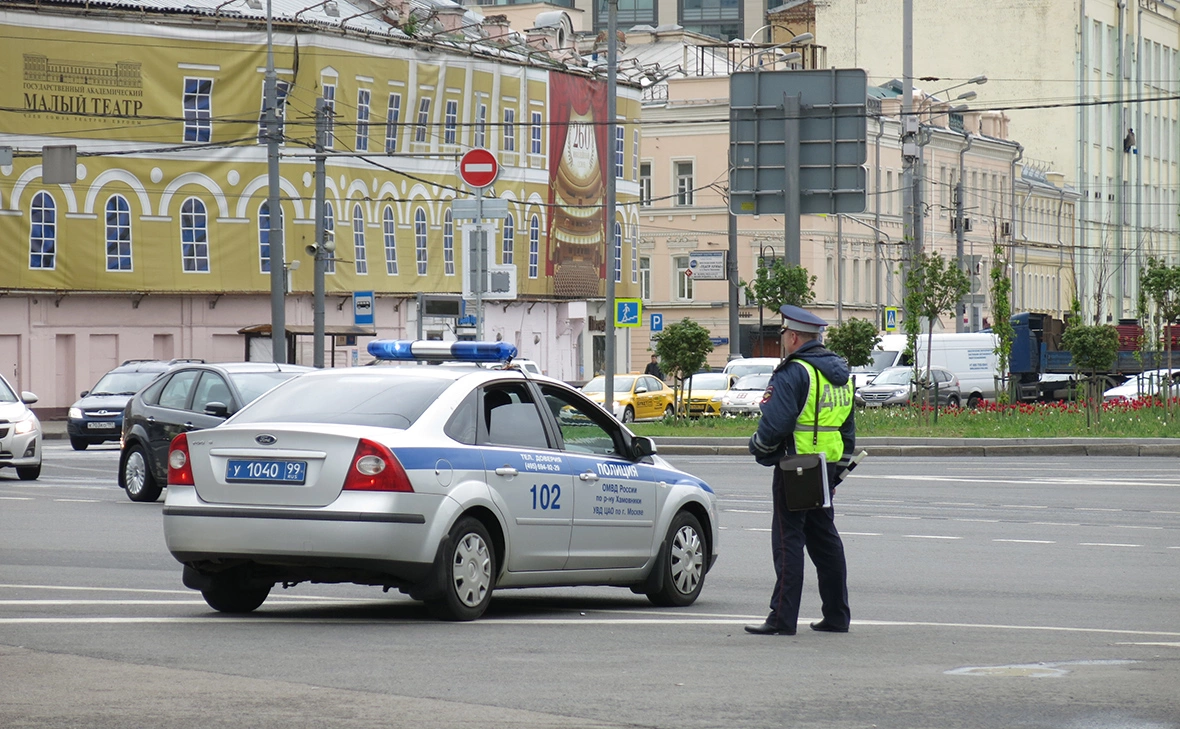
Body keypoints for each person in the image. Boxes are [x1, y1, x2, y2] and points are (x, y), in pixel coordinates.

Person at [745, 304, 855, 636]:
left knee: (787, 540)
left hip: (796, 466)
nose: (783, 339)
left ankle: (782, 618)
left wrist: (759, 448)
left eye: (783, 334)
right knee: (825, 541)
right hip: (826, 465)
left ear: (793, 337)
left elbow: (776, 424)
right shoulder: (840, 374)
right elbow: (848, 431)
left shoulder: (794, 372)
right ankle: (837, 615)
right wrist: (836, 473)